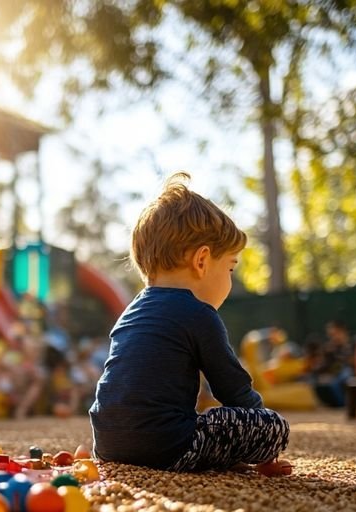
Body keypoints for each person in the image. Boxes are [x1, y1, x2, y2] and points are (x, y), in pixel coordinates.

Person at [89, 172, 291, 475]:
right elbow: (233, 387)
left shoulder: (131, 311)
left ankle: (210, 454)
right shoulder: (197, 312)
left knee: (206, 420)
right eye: (231, 267)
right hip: (168, 448)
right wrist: (264, 444)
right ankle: (215, 454)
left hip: (107, 446)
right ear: (202, 261)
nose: (230, 279)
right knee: (274, 425)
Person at [311, 320, 354, 407]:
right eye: (331, 335)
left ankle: (346, 404)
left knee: (345, 376)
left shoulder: (352, 345)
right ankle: (342, 404)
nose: (333, 337)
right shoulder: (330, 349)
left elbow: (353, 362)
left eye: (335, 334)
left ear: (342, 331)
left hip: (349, 372)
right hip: (336, 374)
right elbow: (324, 366)